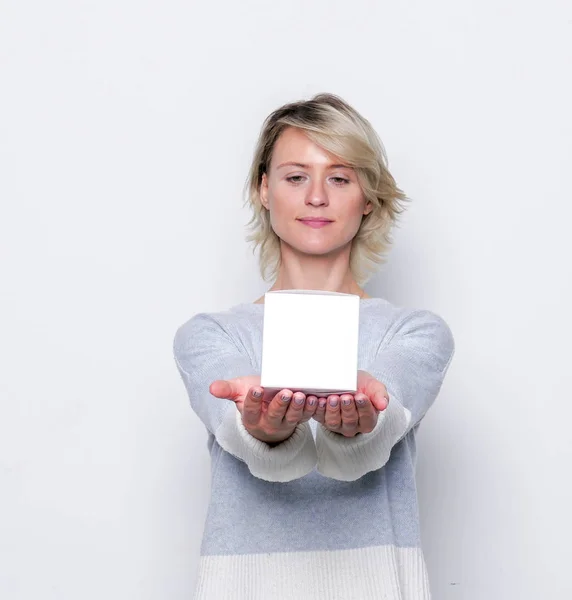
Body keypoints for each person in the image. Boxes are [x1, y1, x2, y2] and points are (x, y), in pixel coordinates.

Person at [173, 93, 455, 599]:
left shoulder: (415, 332)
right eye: (296, 176)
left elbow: (379, 433)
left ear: (367, 197)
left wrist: (368, 412)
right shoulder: (210, 335)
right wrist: (262, 429)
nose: (317, 197)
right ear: (264, 189)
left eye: (340, 177)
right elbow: (243, 439)